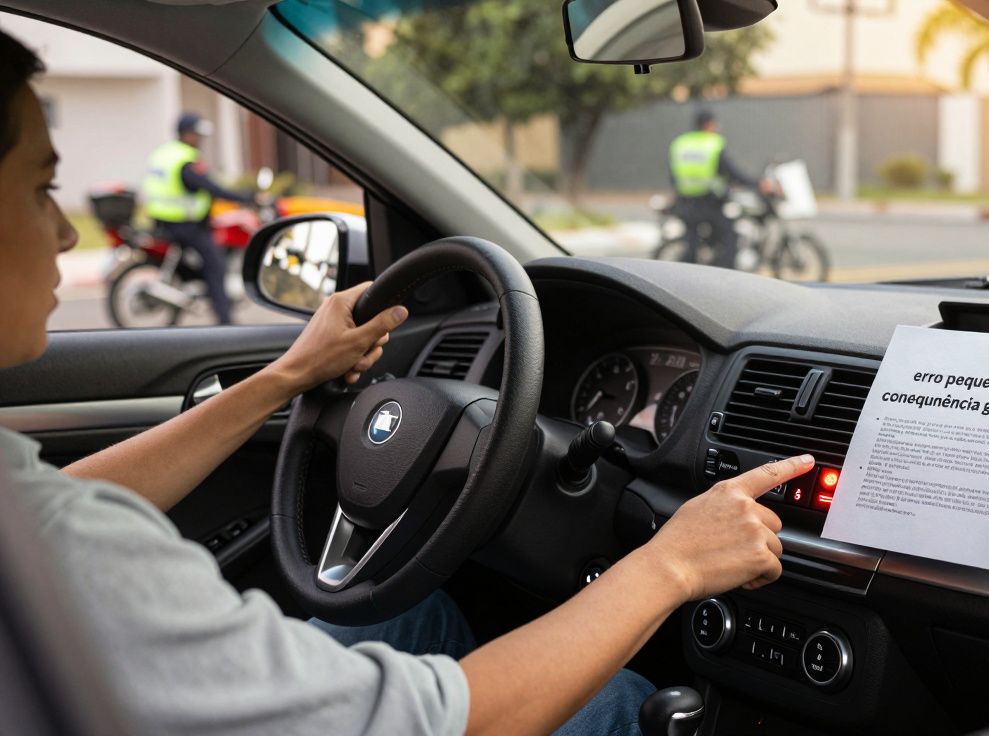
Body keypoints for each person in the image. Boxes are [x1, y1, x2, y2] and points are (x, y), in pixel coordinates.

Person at [0, 31, 812, 735]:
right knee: (628, 707)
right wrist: (671, 566)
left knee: (402, 612)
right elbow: (443, 724)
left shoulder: (31, 515)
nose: (68, 230)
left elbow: (60, 498)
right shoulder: (68, 555)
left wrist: (288, 377)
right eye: (42, 190)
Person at [142, 111, 256, 325]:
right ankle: (225, 321)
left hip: (161, 220)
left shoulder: (164, 153)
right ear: (186, 134)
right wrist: (243, 197)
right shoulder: (185, 159)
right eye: (197, 134)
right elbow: (209, 186)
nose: (200, 139)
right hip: (183, 224)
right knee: (216, 264)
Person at [668, 109, 759, 268]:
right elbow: (731, 172)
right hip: (708, 202)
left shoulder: (680, 143)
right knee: (730, 237)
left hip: (684, 202)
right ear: (708, 124)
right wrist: (757, 183)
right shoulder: (712, 143)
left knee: (692, 244)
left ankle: (686, 277)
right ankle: (724, 276)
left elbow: (673, 174)